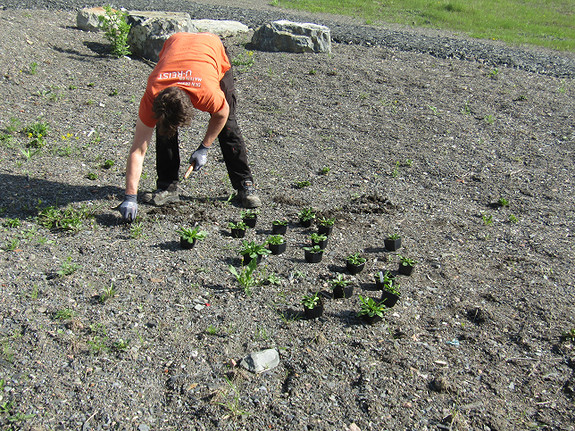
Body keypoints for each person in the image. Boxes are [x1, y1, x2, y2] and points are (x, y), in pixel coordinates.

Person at [119, 32, 260, 222]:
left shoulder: (206, 93)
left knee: (228, 125)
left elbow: (222, 113)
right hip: (176, 43)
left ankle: (245, 184)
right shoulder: (152, 93)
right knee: (164, 128)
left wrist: (205, 147)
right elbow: (138, 150)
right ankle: (167, 187)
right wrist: (130, 197)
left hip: (210, 48)